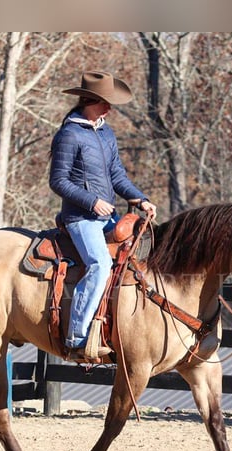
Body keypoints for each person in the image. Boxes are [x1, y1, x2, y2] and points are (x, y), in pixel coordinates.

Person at [49, 70, 157, 359]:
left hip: (105, 217)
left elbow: (116, 175)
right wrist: (92, 202)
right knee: (100, 265)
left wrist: (140, 199)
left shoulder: (105, 132)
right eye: (105, 102)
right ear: (91, 100)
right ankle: (77, 337)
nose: (110, 107)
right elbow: (58, 181)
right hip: (80, 218)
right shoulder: (69, 135)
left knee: (136, 263)